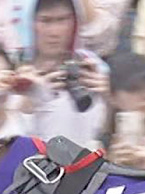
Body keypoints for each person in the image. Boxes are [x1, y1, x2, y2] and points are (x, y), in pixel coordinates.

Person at [16, 0, 109, 147]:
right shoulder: (14, 72)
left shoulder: (91, 68)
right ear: (30, 24)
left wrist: (108, 99)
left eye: (62, 20)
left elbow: (105, 132)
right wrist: (27, 103)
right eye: (45, 21)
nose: (54, 32)